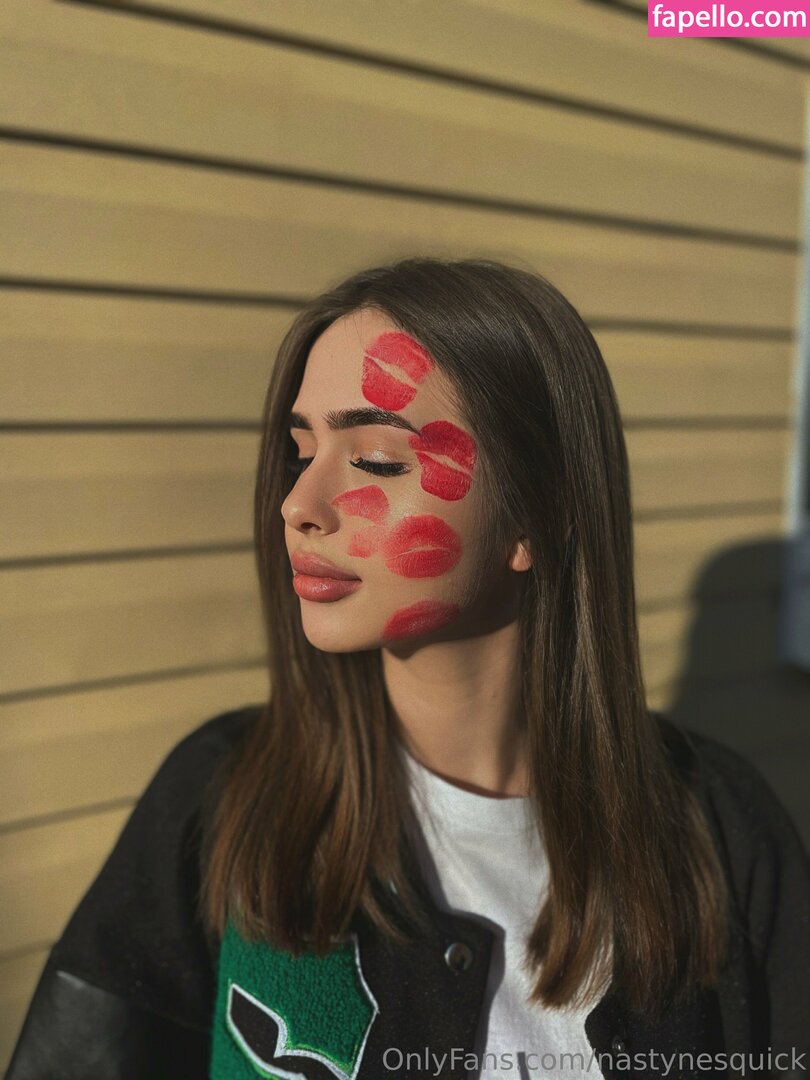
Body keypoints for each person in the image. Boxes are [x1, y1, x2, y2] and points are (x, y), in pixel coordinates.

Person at [7, 258, 810, 1080]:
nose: (297, 505)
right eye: (300, 452)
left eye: (376, 461)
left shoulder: (722, 834)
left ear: (538, 514)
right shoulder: (221, 801)